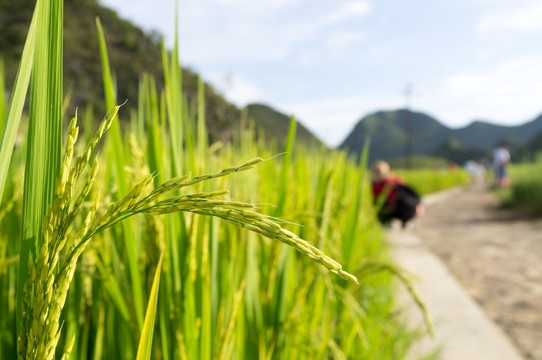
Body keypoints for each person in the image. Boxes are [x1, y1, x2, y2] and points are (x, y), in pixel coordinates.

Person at [370, 160, 424, 228]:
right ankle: (404, 221)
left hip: (392, 209)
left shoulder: (375, 185)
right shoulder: (396, 180)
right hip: (405, 209)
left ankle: (386, 222)